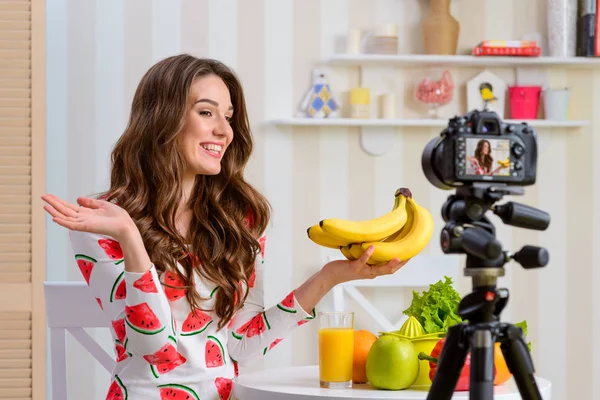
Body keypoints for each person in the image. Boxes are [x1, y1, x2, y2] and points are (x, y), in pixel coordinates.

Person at [41, 54, 408, 399]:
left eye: (229, 117)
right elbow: (155, 350)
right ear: (162, 119)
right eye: (206, 112)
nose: (224, 131)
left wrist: (330, 276)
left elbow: (240, 346)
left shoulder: (239, 219)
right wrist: (131, 240)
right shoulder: (101, 224)